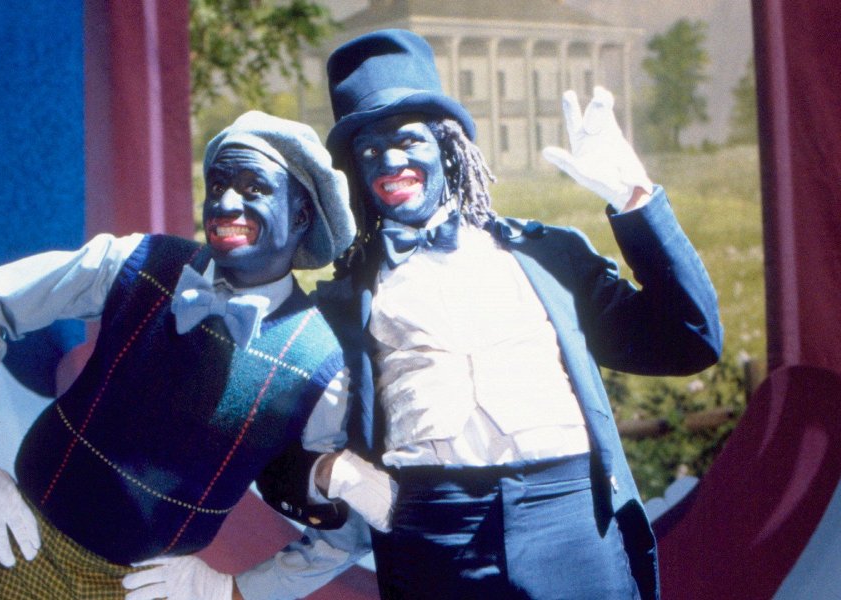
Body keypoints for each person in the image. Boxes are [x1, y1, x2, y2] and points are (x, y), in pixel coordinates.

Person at [224, 28, 723, 599]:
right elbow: (272, 454)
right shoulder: (338, 306)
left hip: (572, 530)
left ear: (448, 146)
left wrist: (634, 199)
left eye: (407, 140)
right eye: (369, 151)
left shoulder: (547, 257)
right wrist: (330, 472)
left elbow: (688, 340)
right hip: (433, 541)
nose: (390, 160)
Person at [0, 110, 370, 599]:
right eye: (218, 184)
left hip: (146, 590)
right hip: (27, 549)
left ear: (301, 216)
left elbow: (347, 534)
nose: (226, 203)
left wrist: (236, 591)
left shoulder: (322, 368)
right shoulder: (137, 261)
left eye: (255, 188)